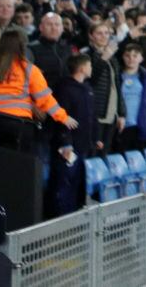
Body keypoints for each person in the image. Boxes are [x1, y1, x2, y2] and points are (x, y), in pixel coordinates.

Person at [50, 54, 97, 215]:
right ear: (82, 68)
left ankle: (74, 217)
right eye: (90, 65)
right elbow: (61, 118)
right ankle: (60, 219)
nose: (91, 69)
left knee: (77, 184)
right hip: (69, 147)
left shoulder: (88, 89)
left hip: (83, 145)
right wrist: (65, 142)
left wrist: (95, 139)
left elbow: (91, 117)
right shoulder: (65, 89)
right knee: (64, 183)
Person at [82, 22, 124, 153]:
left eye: (106, 33)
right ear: (91, 36)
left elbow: (117, 86)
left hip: (111, 114)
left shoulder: (113, 58)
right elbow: (90, 80)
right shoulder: (86, 55)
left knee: (104, 154)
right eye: (99, 33)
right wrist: (104, 58)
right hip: (95, 114)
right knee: (93, 153)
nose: (103, 36)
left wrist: (122, 113)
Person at [115, 42, 146, 152]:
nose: (131, 59)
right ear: (123, 57)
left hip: (142, 125)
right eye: (127, 55)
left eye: (135, 55)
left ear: (141, 58)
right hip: (121, 126)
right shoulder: (116, 76)